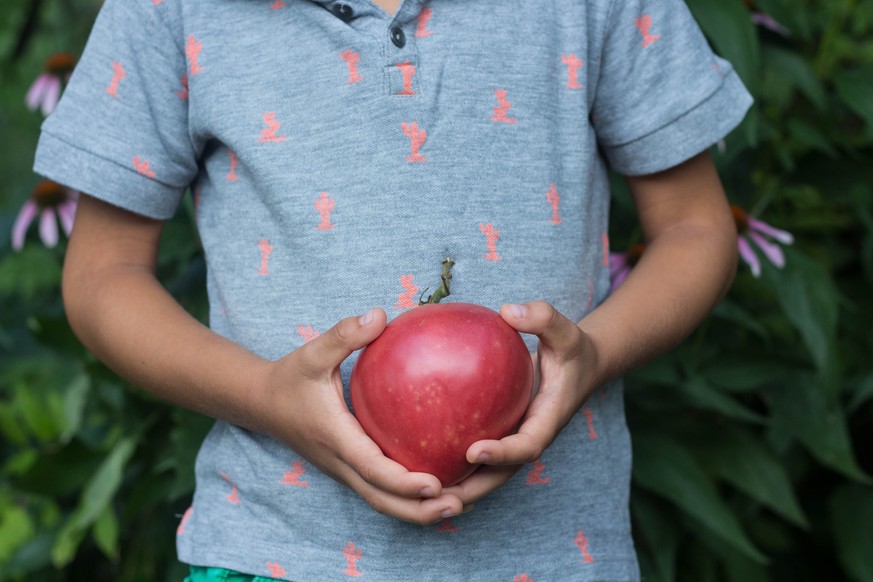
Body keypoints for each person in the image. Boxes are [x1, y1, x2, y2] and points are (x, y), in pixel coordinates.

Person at [36, 0, 751, 579]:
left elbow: (694, 227)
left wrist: (594, 352)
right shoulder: (169, 10)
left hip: (559, 557)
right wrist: (267, 399)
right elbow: (104, 275)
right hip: (274, 553)